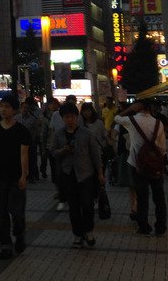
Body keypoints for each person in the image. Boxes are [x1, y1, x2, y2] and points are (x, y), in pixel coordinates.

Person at [0, 95, 30, 260]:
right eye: (2, 106)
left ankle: (20, 233)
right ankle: (6, 246)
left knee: (16, 212)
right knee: (0, 214)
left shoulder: (22, 131)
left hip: (16, 177)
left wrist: (24, 175)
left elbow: (24, 154)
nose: (3, 109)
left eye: (7, 107)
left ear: (14, 110)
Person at [52, 103, 105, 248]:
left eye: (73, 117)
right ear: (63, 118)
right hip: (68, 175)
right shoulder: (59, 134)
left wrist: (100, 173)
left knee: (87, 205)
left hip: (85, 174)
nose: (70, 120)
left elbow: (95, 155)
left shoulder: (86, 133)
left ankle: (88, 231)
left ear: (77, 117)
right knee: (74, 207)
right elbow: (53, 151)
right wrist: (62, 151)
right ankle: (77, 235)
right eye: (67, 117)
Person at [115, 99, 167, 237]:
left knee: (142, 198)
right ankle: (161, 226)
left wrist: (129, 109)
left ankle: (144, 226)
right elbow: (162, 148)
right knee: (159, 197)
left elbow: (117, 118)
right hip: (155, 165)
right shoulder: (158, 123)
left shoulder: (132, 120)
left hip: (137, 165)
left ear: (137, 107)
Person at [15, 97, 40, 183]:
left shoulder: (32, 118)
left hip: (30, 142)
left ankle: (31, 176)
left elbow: (35, 129)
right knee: (19, 159)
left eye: (27, 108)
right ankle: (21, 175)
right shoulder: (16, 118)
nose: (25, 109)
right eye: (24, 108)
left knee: (31, 160)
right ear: (20, 108)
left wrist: (33, 139)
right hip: (19, 142)